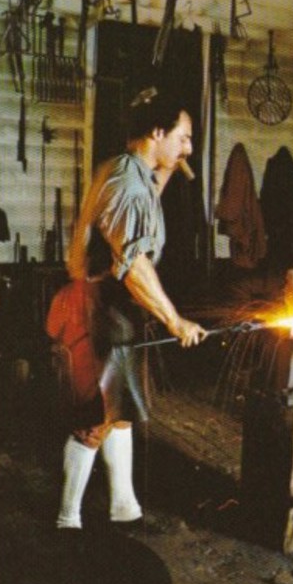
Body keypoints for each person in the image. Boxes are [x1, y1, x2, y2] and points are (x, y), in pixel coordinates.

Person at [46, 87, 207, 532]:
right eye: (183, 137)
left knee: (120, 413)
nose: (189, 148)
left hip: (115, 312)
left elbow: (145, 208)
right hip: (98, 310)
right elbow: (133, 265)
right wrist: (175, 320)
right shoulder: (126, 184)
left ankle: (125, 508)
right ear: (157, 132)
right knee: (94, 419)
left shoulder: (130, 171)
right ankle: (67, 520)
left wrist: (169, 164)